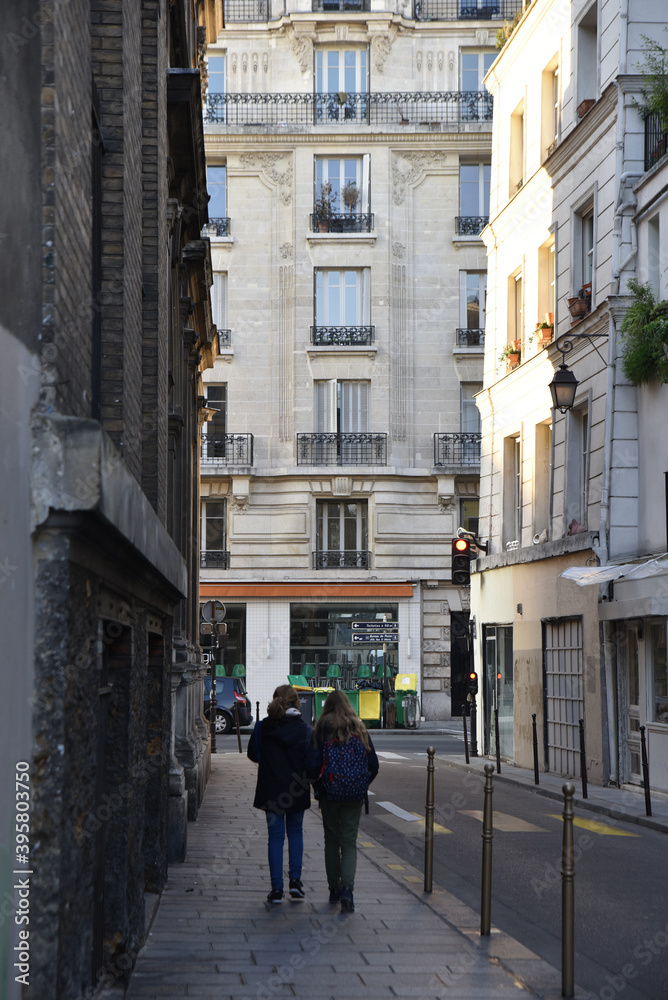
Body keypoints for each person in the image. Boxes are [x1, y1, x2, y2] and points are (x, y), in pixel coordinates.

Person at [305, 689, 379, 913]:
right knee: (348, 842)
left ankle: (334, 889)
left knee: (331, 840)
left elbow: (312, 765)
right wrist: (360, 783)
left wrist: (318, 786)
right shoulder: (359, 727)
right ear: (348, 704)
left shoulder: (321, 728)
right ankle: (347, 889)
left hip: (329, 792)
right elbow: (373, 765)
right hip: (354, 795)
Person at [247, 685, 311, 904]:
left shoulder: (263, 727)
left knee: (275, 837)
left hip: (271, 788)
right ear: (296, 702)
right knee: (295, 833)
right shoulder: (304, 728)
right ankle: (295, 883)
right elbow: (311, 760)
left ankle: (276, 889)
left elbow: (253, 754)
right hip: (296, 789)